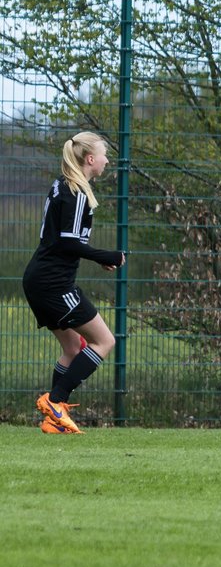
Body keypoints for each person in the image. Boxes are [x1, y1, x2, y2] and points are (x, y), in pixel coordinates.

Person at [25, 132, 126, 434]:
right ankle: (56, 402)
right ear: (90, 159)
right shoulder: (77, 193)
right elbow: (68, 244)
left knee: (73, 347)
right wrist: (106, 255)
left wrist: (98, 257)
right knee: (104, 341)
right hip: (54, 285)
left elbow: (63, 241)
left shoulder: (62, 184)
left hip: (40, 280)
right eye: (105, 155)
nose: (108, 160)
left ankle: (53, 420)